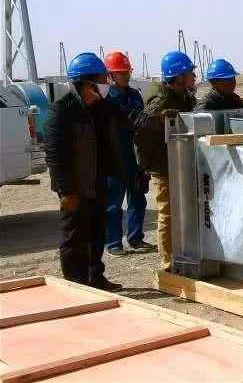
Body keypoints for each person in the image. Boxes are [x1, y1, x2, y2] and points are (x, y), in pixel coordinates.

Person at [43, 52, 123, 291]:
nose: (107, 83)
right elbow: (55, 156)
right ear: (87, 83)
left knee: (97, 233)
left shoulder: (102, 108)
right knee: (74, 237)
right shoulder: (61, 111)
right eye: (103, 79)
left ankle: (95, 277)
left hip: (97, 183)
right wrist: (65, 190)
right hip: (75, 187)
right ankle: (76, 286)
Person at [134, 51, 197, 271]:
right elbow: (141, 127)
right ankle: (168, 261)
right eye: (190, 72)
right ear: (178, 76)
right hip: (164, 166)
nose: (193, 76)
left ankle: (184, 255)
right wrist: (161, 122)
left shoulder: (183, 96)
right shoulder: (161, 101)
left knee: (186, 212)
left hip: (181, 162)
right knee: (168, 214)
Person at [102, 51, 154, 256]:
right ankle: (113, 243)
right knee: (113, 204)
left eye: (127, 72)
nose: (125, 75)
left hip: (135, 157)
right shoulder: (105, 99)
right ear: (110, 75)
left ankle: (136, 238)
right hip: (114, 158)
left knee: (138, 200)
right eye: (120, 72)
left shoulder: (134, 95)